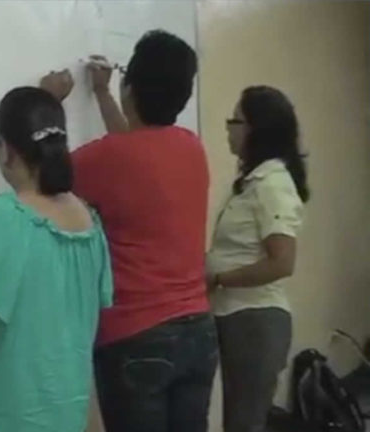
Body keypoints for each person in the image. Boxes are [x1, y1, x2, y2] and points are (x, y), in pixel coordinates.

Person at [41, 30, 216, 432]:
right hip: (198, 332)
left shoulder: (107, 158)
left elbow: (44, 173)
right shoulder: (191, 147)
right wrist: (104, 94)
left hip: (137, 336)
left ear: (130, 87)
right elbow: (136, 150)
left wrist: (47, 103)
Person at [0, 87, 114, 432]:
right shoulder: (88, 220)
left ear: (6, 150)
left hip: (8, 420)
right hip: (69, 416)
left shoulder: (1, 217)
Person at [206, 86, 308, 432]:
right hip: (235, 317)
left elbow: (282, 263)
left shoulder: (273, 183)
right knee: (238, 421)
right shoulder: (252, 182)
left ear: (255, 129)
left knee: (244, 423)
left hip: (255, 320)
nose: (228, 128)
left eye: (235, 121)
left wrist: (218, 278)